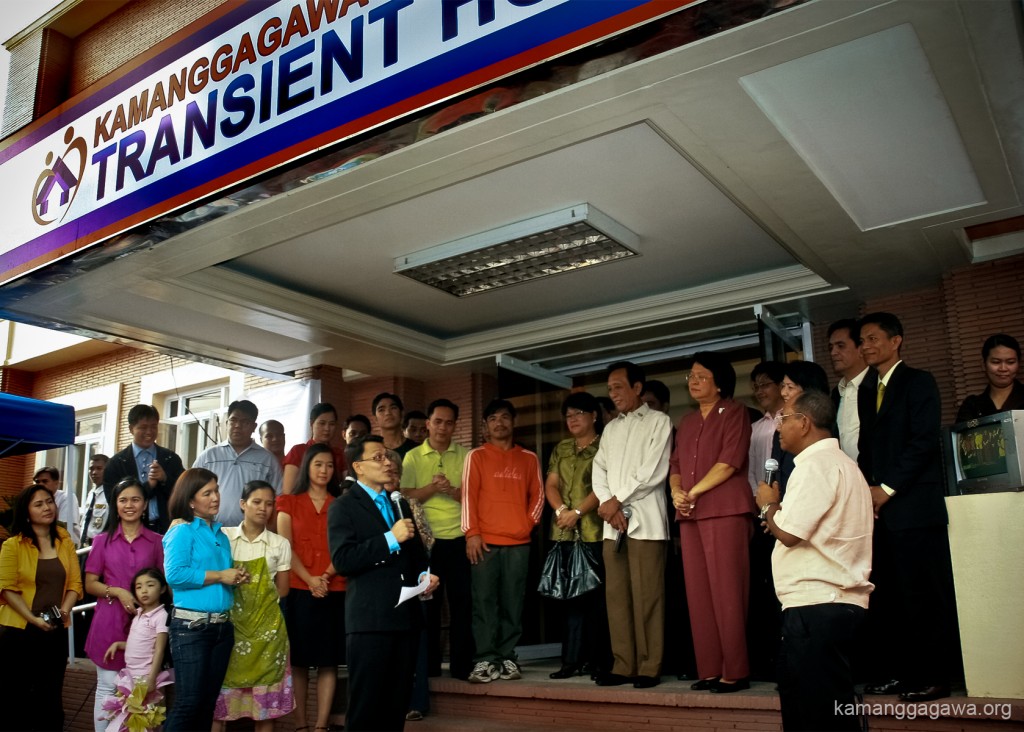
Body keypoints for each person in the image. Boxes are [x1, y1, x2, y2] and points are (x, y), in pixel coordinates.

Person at [755, 391, 873, 731]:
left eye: (784, 418)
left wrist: (767, 505)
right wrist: (778, 514)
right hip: (835, 604)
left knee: (816, 715)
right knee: (831, 707)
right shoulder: (846, 465)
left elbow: (790, 534)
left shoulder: (815, 466)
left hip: (816, 606)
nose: (778, 428)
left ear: (804, 422)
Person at [857, 312, 957, 703]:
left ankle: (935, 677)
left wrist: (886, 487)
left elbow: (923, 442)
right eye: (862, 340)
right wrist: (868, 492)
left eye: (871, 338)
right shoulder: (868, 388)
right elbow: (868, 448)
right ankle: (900, 673)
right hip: (880, 512)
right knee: (891, 599)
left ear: (895, 341)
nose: (865, 346)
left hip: (915, 509)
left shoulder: (919, 382)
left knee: (924, 597)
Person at [328, 435, 438, 731]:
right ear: (358, 467)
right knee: (366, 709)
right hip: (370, 621)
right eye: (378, 457)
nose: (388, 462)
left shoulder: (396, 502)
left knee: (396, 707)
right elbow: (343, 560)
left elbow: (413, 555)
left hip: (405, 619)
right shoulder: (344, 506)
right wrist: (390, 538)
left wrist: (424, 576)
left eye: (388, 457)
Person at [670, 352, 756, 694]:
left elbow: (729, 463)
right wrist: (677, 493)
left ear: (719, 382)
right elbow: (674, 464)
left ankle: (735, 671)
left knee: (728, 592)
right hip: (690, 513)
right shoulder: (687, 422)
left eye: (701, 376)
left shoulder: (735, 413)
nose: (693, 381)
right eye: (691, 375)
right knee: (698, 594)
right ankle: (708, 669)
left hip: (724, 509)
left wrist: (692, 492)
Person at [591, 361, 672, 689]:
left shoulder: (659, 421)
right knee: (618, 597)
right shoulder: (611, 428)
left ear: (638, 388)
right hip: (614, 526)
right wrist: (608, 505)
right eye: (610, 389)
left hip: (648, 524)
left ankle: (649, 665)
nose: (614, 394)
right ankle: (623, 664)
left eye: (619, 387)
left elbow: (654, 471)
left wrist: (616, 500)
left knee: (648, 596)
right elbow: (599, 469)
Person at [462, 399, 544, 684]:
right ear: (486, 426)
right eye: (493, 418)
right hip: (483, 543)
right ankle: (486, 659)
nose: (500, 423)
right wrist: (471, 533)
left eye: (505, 417)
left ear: (514, 422)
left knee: (513, 602)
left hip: (518, 543)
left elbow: (539, 497)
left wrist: (526, 524)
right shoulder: (476, 456)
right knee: (484, 603)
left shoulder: (529, 458)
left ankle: (508, 657)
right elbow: (468, 497)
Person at [163, 468, 249, 732]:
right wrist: (221, 574)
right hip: (192, 628)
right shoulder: (183, 531)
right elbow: (175, 575)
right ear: (191, 500)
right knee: (189, 704)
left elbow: (218, 579)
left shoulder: (221, 536)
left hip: (222, 628)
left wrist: (234, 578)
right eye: (207, 492)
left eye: (217, 490)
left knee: (207, 705)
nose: (216, 497)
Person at [400, 398, 474, 680]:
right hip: (426, 542)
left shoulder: (467, 456)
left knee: (462, 605)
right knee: (428, 607)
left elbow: (472, 497)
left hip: (459, 537)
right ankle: (429, 668)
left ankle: (461, 666)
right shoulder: (413, 457)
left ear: (456, 425)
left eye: (449, 422)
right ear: (428, 423)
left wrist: (450, 490)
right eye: (438, 421)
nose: (443, 427)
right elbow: (405, 496)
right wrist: (432, 487)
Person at [85, 477, 165, 731]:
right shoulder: (101, 541)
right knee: (108, 689)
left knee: (143, 693)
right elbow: (90, 584)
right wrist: (119, 591)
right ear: (115, 505)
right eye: (123, 500)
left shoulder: (157, 541)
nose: (129, 505)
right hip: (109, 623)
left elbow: (165, 584)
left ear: (145, 505)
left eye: (135, 499)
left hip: (147, 627)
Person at [0, 484, 83, 731]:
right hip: (18, 631)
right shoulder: (12, 545)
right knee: (15, 699)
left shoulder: (64, 539)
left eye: (49, 501)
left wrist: (65, 611)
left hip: (54, 631)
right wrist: (33, 619)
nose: (47, 507)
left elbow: (75, 583)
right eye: (38, 504)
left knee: (50, 697)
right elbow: (6, 588)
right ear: (26, 513)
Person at [276, 443, 346, 732]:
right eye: (318, 464)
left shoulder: (341, 504)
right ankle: (301, 725)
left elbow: (345, 547)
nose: (324, 470)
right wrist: (310, 579)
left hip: (335, 587)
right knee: (301, 662)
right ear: (307, 466)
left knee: (329, 661)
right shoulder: (288, 502)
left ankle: (321, 725)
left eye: (329, 465)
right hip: (298, 589)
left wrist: (325, 577)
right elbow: (284, 547)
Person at [214, 481, 294, 732]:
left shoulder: (280, 544)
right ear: (242, 504)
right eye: (257, 502)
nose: (263, 508)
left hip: (268, 636)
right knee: (220, 708)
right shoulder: (223, 537)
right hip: (230, 631)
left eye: (269, 504)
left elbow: (283, 590)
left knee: (265, 711)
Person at [543, 392, 611, 680]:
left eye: (578, 414)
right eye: (568, 415)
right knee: (569, 598)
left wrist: (578, 513)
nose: (572, 420)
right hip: (564, 532)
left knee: (595, 599)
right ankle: (570, 661)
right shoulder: (561, 448)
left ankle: (597, 661)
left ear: (593, 415)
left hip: (594, 531)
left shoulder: (605, 446)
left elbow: (605, 486)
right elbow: (551, 484)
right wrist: (561, 510)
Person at [101, 568, 173, 732]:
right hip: (131, 678)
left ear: (162, 588)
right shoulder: (139, 613)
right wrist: (120, 645)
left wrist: (152, 679)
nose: (144, 590)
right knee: (133, 723)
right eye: (139, 587)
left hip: (147, 678)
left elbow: (159, 650)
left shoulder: (161, 615)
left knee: (150, 723)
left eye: (150, 585)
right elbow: (142, 644)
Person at [193, 399, 282, 526]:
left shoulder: (267, 460)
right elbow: (189, 491)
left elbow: (278, 499)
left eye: (244, 422)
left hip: (252, 536)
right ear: (226, 422)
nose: (237, 426)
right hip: (210, 532)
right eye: (233, 420)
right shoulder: (208, 456)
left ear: (254, 427)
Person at [104, 404, 185, 533]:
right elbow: (113, 501)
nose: (149, 432)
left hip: (168, 530)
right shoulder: (116, 463)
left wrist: (165, 479)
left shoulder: (170, 458)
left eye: (153, 427)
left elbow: (184, 494)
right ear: (131, 429)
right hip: (131, 532)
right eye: (143, 427)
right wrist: (148, 486)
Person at [773, 361, 830, 495]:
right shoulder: (780, 424)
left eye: (790, 387)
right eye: (783, 386)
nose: (783, 393)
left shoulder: (822, 425)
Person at [827, 319, 872, 461]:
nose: (833, 352)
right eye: (831, 347)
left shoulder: (878, 386)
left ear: (860, 349)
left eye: (841, 346)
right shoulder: (836, 394)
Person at [956, 333, 1024, 421]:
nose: (1003, 368)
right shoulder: (972, 406)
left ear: (1019, 364)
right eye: (996, 362)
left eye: (1010, 362)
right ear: (983, 365)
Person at [282, 403, 347, 494]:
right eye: (322, 423)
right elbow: (288, 491)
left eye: (331, 424)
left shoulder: (339, 453)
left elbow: (347, 488)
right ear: (311, 424)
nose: (327, 428)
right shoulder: (298, 451)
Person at [747, 362, 785, 494]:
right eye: (756, 387)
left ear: (781, 385)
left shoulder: (795, 420)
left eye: (765, 385)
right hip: (763, 501)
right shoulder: (754, 429)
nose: (759, 392)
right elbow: (750, 470)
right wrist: (756, 495)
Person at [34, 466, 81, 546]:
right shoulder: (35, 500)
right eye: (38, 482)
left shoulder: (67, 498)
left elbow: (62, 527)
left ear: (56, 483)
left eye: (45, 481)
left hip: (66, 548)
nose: (40, 485)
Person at [81, 454, 111, 546]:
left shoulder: (110, 493)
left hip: (101, 545)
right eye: (91, 468)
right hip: (84, 545)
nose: (94, 472)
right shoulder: (91, 493)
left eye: (99, 468)